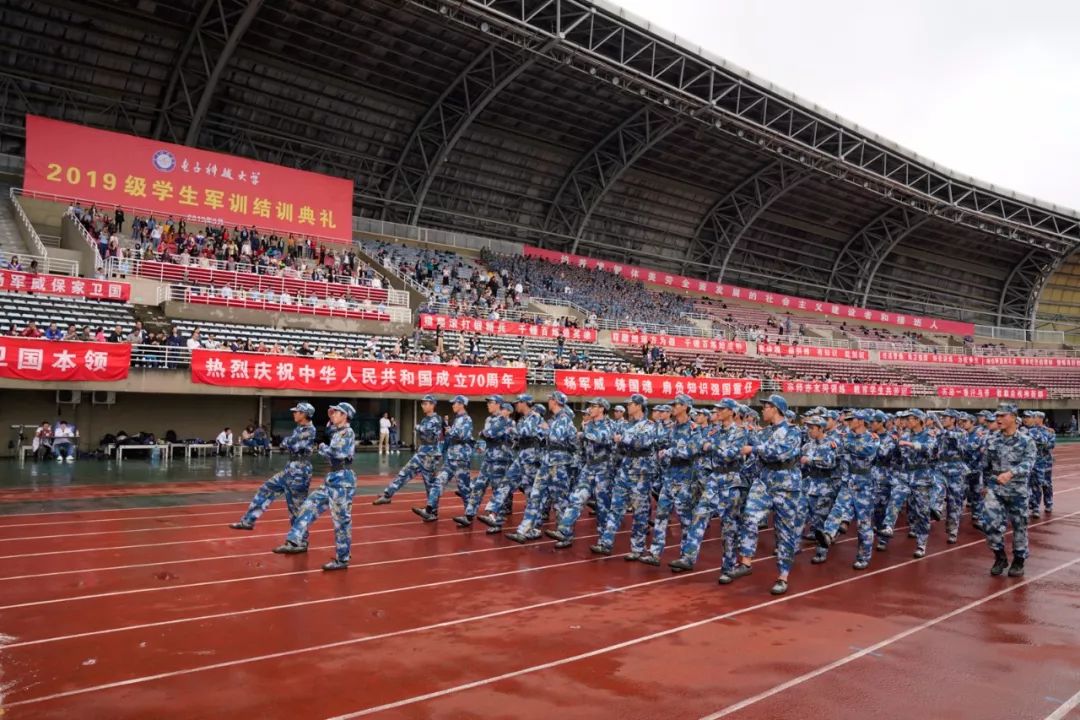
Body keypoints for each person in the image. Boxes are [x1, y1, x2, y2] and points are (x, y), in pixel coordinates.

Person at [727, 394, 804, 596]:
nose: (763, 410)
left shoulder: (793, 432)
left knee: (784, 531)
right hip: (764, 481)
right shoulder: (764, 433)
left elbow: (781, 452)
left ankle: (783, 576)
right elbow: (755, 459)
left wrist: (754, 449)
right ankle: (745, 561)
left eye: (766, 407)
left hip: (786, 485)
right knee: (749, 516)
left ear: (776, 409)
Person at [274, 402, 357, 571]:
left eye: (337, 413)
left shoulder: (348, 433)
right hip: (333, 478)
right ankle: (295, 540)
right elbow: (329, 429)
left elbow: (337, 453)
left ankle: (342, 559)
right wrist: (330, 417)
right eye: (333, 413)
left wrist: (323, 448)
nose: (333, 415)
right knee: (308, 506)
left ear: (345, 416)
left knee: (341, 521)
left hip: (343, 481)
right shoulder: (338, 431)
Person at [670, 398, 744, 575]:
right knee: (699, 515)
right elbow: (698, 447)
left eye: (721, 409)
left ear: (731, 412)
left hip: (730, 480)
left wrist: (711, 446)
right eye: (717, 408)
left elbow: (730, 454)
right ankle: (688, 557)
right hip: (714, 478)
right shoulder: (714, 432)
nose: (717, 411)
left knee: (729, 527)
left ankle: (729, 567)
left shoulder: (739, 433)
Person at [230, 403, 317, 535]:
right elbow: (286, 443)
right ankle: (248, 520)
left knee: (296, 508)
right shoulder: (299, 429)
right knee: (266, 489)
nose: (294, 413)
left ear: (304, 414)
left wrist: (287, 442)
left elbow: (290, 444)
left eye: (297, 412)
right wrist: (287, 442)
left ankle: (299, 541)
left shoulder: (309, 430)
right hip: (290, 468)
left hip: (300, 471)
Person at [590, 394, 658, 560]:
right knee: (615, 507)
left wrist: (623, 439)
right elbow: (616, 445)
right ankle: (606, 543)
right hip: (625, 470)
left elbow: (641, 443)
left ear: (639, 406)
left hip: (640, 474)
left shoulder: (649, 425)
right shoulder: (627, 425)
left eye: (631, 404)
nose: (628, 406)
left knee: (640, 512)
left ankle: (637, 548)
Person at [506, 391, 576, 543]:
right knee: (535, 496)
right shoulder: (553, 420)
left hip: (560, 463)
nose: (548, 402)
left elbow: (557, 437)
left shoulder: (564, 419)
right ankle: (525, 530)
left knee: (560, 500)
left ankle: (565, 534)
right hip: (547, 461)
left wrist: (544, 429)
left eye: (550, 399)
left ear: (555, 401)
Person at [547, 398, 614, 549]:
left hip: (603, 469)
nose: (590, 408)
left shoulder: (610, 424)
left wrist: (584, 434)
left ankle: (605, 542)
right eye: (590, 406)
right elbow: (582, 446)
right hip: (588, 468)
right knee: (575, 499)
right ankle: (564, 530)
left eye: (594, 406)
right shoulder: (588, 425)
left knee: (603, 507)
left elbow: (604, 438)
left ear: (602, 409)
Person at [816, 410, 880, 569]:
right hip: (848, 481)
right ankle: (828, 534)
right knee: (837, 509)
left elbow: (866, 451)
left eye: (852, 419)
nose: (848, 422)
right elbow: (834, 451)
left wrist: (845, 444)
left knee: (863, 524)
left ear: (860, 421)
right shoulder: (845, 437)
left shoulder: (872, 438)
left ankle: (863, 557)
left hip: (864, 485)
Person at [640, 394, 699, 566]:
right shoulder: (672, 428)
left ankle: (686, 557)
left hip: (685, 480)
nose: (672, 407)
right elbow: (661, 443)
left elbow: (691, 451)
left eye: (676, 404)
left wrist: (670, 451)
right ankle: (655, 553)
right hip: (669, 477)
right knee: (660, 515)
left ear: (685, 407)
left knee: (686, 520)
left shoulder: (693, 428)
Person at [983, 404, 1037, 577]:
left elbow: (1029, 463)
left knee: (1019, 526)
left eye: (1002, 415)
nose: (998, 419)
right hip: (995, 487)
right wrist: (984, 485)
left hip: (1017, 489)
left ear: (1014, 417)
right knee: (989, 523)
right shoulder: (992, 439)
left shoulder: (1026, 441)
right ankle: (999, 557)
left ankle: (1019, 560)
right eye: (997, 415)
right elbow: (986, 465)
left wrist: (1011, 473)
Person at [455, 395, 514, 527]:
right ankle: (469, 515)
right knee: (478, 487)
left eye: (491, 402)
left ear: (498, 404)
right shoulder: (489, 419)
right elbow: (484, 435)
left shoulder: (505, 420)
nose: (488, 405)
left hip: (500, 459)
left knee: (497, 490)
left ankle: (497, 520)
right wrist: (485, 437)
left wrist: (487, 434)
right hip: (488, 458)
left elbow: (491, 434)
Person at [373, 396, 443, 505]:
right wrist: (420, 428)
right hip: (422, 452)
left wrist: (418, 428)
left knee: (430, 483)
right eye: (422, 403)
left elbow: (430, 435)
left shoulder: (437, 419)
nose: (423, 406)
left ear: (433, 405)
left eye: (426, 403)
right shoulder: (425, 419)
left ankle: (432, 511)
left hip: (431, 454)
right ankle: (388, 495)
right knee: (404, 472)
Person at [413, 395, 473, 522]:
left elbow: (464, 436)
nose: (453, 405)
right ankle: (429, 510)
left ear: (461, 404)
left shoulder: (467, 419)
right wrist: (443, 450)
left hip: (461, 459)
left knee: (464, 489)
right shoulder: (456, 419)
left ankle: (469, 516)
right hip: (451, 459)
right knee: (438, 482)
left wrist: (450, 432)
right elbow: (449, 438)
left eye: (455, 403)